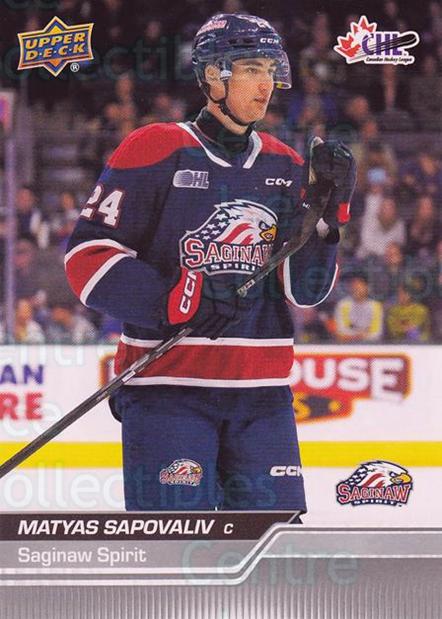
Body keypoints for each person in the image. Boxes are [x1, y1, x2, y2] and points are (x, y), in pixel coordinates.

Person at [65, 14, 356, 513]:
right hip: (168, 390)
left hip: (263, 396)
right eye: (251, 69)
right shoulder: (156, 148)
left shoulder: (286, 165)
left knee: (274, 546)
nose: (265, 85)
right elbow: (86, 258)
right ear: (212, 76)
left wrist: (329, 219)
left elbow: (305, 290)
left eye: (270, 70)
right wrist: (174, 300)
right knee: (175, 548)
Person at [334, 275, 383, 343]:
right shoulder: (343, 305)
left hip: (370, 345)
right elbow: (340, 331)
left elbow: (377, 333)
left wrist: (361, 336)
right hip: (347, 345)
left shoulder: (375, 306)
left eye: (359, 286)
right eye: (353, 286)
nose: (356, 289)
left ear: (367, 288)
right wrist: (358, 335)